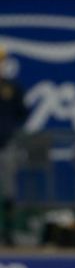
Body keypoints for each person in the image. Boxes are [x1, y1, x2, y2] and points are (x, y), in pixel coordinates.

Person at [0, 46, 29, 246]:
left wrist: (10, 130)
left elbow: (23, 112)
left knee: (8, 192)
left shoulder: (12, 87)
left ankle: (8, 233)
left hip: (6, 143)